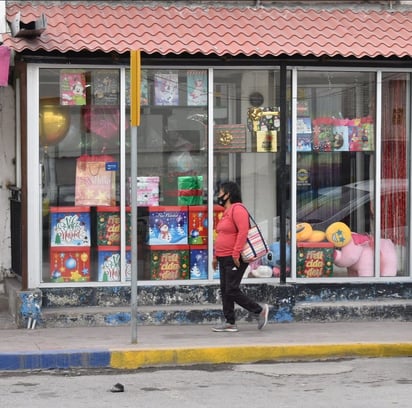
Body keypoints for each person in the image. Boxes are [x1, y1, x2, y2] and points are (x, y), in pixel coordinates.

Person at [212, 181, 269, 332]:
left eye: (220, 192)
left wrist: (236, 253)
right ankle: (230, 322)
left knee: (231, 289)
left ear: (228, 194)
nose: (218, 195)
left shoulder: (238, 209)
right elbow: (222, 234)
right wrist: (215, 256)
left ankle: (259, 311)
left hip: (234, 257)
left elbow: (243, 232)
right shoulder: (227, 211)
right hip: (223, 256)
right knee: (225, 290)